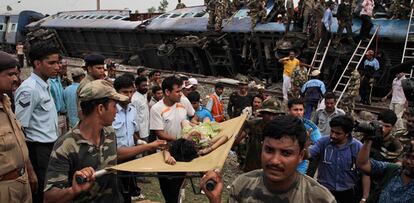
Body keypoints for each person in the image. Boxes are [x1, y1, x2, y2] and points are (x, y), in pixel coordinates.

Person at [200, 115, 336, 203]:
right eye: (269, 150)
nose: (275, 160)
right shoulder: (242, 185)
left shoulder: (319, 198)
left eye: (286, 153)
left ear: (300, 156)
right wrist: (215, 199)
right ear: (262, 148)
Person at [44, 80, 127, 203]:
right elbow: (49, 197)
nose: (117, 110)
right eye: (114, 106)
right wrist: (73, 190)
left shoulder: (109, 133)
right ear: (100, 108)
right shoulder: (66, 145)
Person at [14, 43, 60, 203]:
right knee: (41, 193)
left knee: (50, 190)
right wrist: (29, 168)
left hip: (48, 147)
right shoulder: (29, 89)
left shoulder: (44, 85)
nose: (57, 67)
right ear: (37, 63)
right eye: (52, 63)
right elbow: (19, 128)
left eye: (58, 62)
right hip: (37, 150)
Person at [0, 51, 38, 203]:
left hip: (22, 182)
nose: (15, 79)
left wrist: (29, 171)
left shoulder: (7, 102)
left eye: (16, 74)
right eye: (10, 75)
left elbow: (18, 141)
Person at [308, 115, 370, 203]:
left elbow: (365, 173)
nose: (333, 135)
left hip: (347, 193)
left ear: (347, 134)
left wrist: (364, 197)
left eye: (338, 133)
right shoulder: (323, 142)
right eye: (332, 131)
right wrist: (305, 146)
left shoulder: (357, 147)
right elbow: (308, 155)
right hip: (325, 192)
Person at [150, 76, 188, 203]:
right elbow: (159, 133)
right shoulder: (157, 109)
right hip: (165, 153)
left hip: (182, 151)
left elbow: (191, 118)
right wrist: (178, 139)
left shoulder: (183, 102)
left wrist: (191, 127)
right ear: (167, 92)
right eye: (177, 91)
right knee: (168, 189)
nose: (180, 94)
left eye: (181, 90)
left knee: (179, 184)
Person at [357, 137, 414, 202]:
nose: (408, 161)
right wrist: (368, 140)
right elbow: (363, 164)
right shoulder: (393, 170)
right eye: (407, 156)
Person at [237, 98, 285, 172]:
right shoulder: (253, 124)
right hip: (252, 166)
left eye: (275, 115)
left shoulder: (283, 129)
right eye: (268, 114)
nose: (271, 118)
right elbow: (236, 140)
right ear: (262, 114)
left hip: (271, 168)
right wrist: (240, 126)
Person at [287, 98, 321, 175]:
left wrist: (306, 145)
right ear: (289, 111)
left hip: (300, 164)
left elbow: (318, 144)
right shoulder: (282, 123)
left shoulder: (310, 127)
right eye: (295, 110)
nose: (299, 113)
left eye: (301, 110)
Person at [49, 57, 67, 136]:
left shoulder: (59, 79)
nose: (59, 67)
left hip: (63, 115)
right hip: (54, 116)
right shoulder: (48, 82)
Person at [131, 76, 150, 142]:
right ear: (137, 86)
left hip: (146, 130)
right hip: (141, 133)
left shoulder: (144, 95)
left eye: (146, 85)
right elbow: (134, 118)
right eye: (143, 86)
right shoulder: (135, 99)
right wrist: (137, 136)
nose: (145, 87)